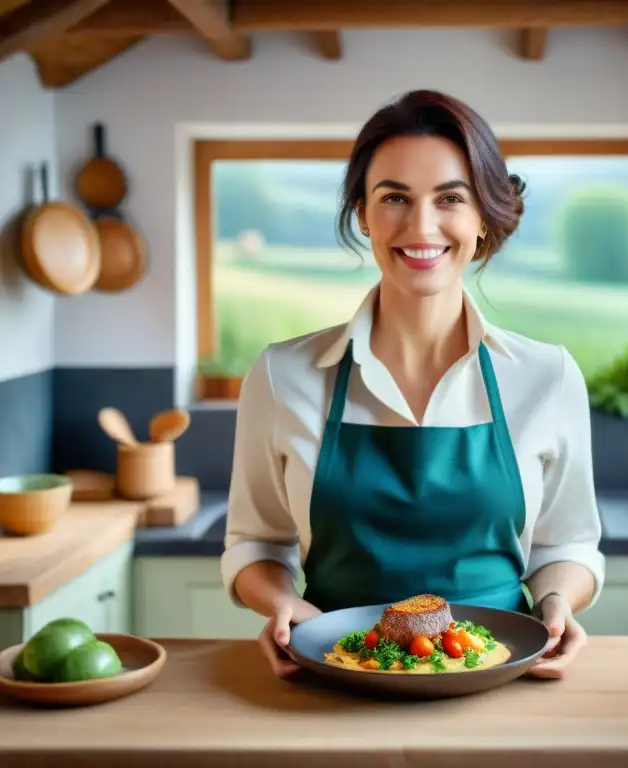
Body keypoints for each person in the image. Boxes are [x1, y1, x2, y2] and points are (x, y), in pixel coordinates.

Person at [221, 89, 604, 680]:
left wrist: (554, 604)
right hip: (332, 682)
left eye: (450, 198)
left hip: (501, 681)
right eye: (394, 197)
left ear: (483, 218)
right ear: (362, 215)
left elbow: (567, 546)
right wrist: (281, 604)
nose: (421, 225)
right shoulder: (283, 376)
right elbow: (255, 545)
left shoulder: (547, 376)